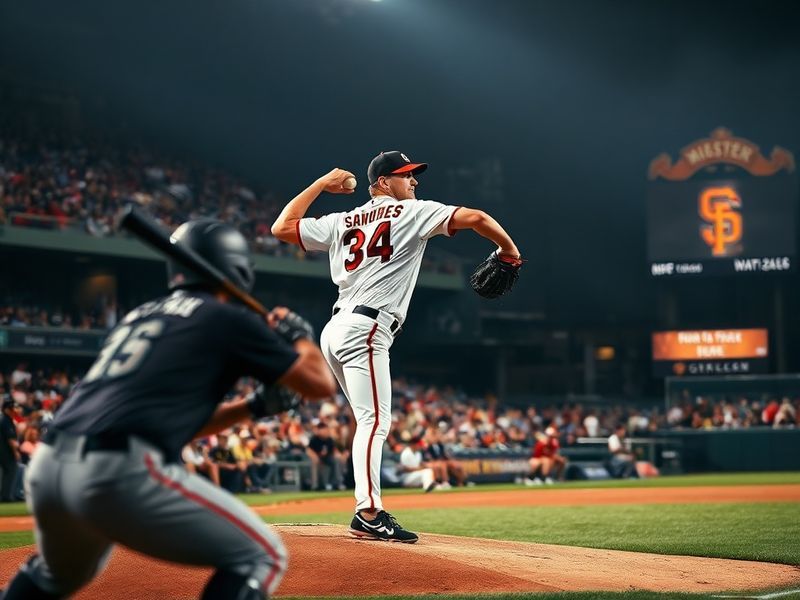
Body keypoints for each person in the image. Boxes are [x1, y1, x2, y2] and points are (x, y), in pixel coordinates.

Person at [1, 217, 336, 600]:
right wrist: (299, 335)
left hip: (48, 468)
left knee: (52, 577)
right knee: (262, 555)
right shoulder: (225, 316)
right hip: (116, 471)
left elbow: (177, 425)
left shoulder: (143, 314)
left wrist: (254, 407)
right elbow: (319, 384)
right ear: (238, 266)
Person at [271, 150, 521, 543]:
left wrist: (321, 183)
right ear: (384, 183)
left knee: (366, 423)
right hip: (367, 328)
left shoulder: (342, 220)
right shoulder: (412, 212)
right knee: (374, 423)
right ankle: (368, 513)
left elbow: (281, 228)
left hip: (337, 328)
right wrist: (510, 252)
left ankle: (366, 509)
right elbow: (478, 219)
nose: (415, 182)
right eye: (406, 176)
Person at [0, 399, 20, 502]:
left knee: (5, 474)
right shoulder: (6, 420)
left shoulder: (4, 419)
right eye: (12, 408)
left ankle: (4, 496)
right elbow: (11, 439)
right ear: (6, 409)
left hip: (3, 452)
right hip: (6, 453)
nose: (14, 410)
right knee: (10, 473)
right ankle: (6, 497)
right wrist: (16, 452)